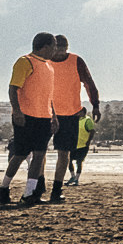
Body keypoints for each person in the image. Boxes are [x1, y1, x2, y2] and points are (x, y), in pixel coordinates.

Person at [1, 33, 59, 208]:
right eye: (54, 46)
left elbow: (49, 96)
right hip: (26, 116)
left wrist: (54, 116)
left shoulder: (49, 67)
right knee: (20, 154)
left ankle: (29, 193)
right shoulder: (25, 62)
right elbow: (13, 88)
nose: (55, 50)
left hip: (44, 117)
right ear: (44, 47)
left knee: (39, 155)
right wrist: (17, 111)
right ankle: (3, 187)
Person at [45, 34, 100, 202]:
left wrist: (95, 104)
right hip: (46, 113)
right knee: (39, 152)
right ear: (52, 48)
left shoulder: (76, 61)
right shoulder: (45, 61)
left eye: (63, 48)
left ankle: (56, 190)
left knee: (64, 153)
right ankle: (37, 186)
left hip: (70, 115)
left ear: (67, 48)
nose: (60, 52)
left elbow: (89, 83)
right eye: (58, 48)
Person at [68, 111, 97, 185]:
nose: (77, 113)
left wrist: (88, 141)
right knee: (69, 160)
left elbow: (92, 131)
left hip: (83, 145)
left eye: (79, 112)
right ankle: (72, 176)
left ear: (83, 112)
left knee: (79, 162)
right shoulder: (75, 119)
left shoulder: (87, 120)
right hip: (73, 145)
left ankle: (76, 179)